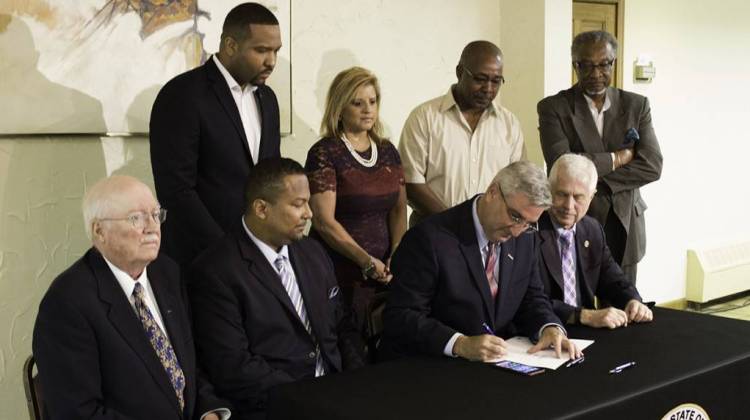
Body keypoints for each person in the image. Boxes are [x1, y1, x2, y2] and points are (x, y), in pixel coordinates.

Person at [32, 175, 228, 420]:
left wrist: (208, 412)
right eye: (136, 218)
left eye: (156, 215)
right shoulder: (67, 303)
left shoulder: (166, 273)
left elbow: (188, 364)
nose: (152, 227)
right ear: (99, 230)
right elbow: (77, 413)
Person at [188, 158, 364, 419]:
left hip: (337, 394)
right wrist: (306, 397)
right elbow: (233, 366)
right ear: (261, 208)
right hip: (275, 405)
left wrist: (358, 380)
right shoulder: (216, 271)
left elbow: (342, 326)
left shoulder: (313, 252)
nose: (310, 214)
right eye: (298, 204)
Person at [381, 161, 581, 362]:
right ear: (493, 192)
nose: (516, 231)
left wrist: (549, 328)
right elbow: (401, 315)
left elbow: (532, 298)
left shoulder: (525, 238)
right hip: (434, 366)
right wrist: (460, 344)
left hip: (496, 364)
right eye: (515, 216)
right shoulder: (429, 239)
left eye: (529, 224)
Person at [150, 2, 282, 266]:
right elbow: (176, 190)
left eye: (276, 51)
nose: (271, 61)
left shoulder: (268, 99)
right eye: (261, 50)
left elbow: (271, 176)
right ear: (231, 46)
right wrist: (226, 249)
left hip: (258, 256)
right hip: (201, 260)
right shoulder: (182, 94)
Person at [537, 30, 663, 284]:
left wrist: (592, 183)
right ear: (575, 65)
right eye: (587, 66)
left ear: (613, 62)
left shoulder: (637, 105)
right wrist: (618, 158)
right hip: (577, 218)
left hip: (625, 223)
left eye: (603, 64)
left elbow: (651, 165)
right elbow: (561, 164)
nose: (596, 74)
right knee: (575, 306)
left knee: (623, 305)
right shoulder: (554, 108)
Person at [305, 66, 406, 355]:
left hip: (383, 269)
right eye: (357, 102)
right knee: (346, 350)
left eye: (372, 102)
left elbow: (399, 209)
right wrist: (365, 260)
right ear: (339, 106)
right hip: (338, 268)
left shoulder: (387, 150)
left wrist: (397, 252)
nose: (367, 110)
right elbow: (324, 221)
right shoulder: (325, 152)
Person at [398, 40, 526, 227]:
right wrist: (457, 222)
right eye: (480, 79)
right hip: (434, 232)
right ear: (460, 72)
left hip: (490, 236)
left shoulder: (509, 124)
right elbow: (411, 183)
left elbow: (517, 183)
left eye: (496, 81)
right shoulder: (424, 117)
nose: (488, 89)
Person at [538, 154, 653, 329]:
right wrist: (583, 315)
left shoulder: (592, 230)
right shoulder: (530, 230)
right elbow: (530, 299)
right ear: (549, 189)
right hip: (545, 329)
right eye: (562, 194)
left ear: (591, 197)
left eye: (578, 197)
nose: (569, 206)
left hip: (587, 331)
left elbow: (612, 279)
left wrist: (632, 300)